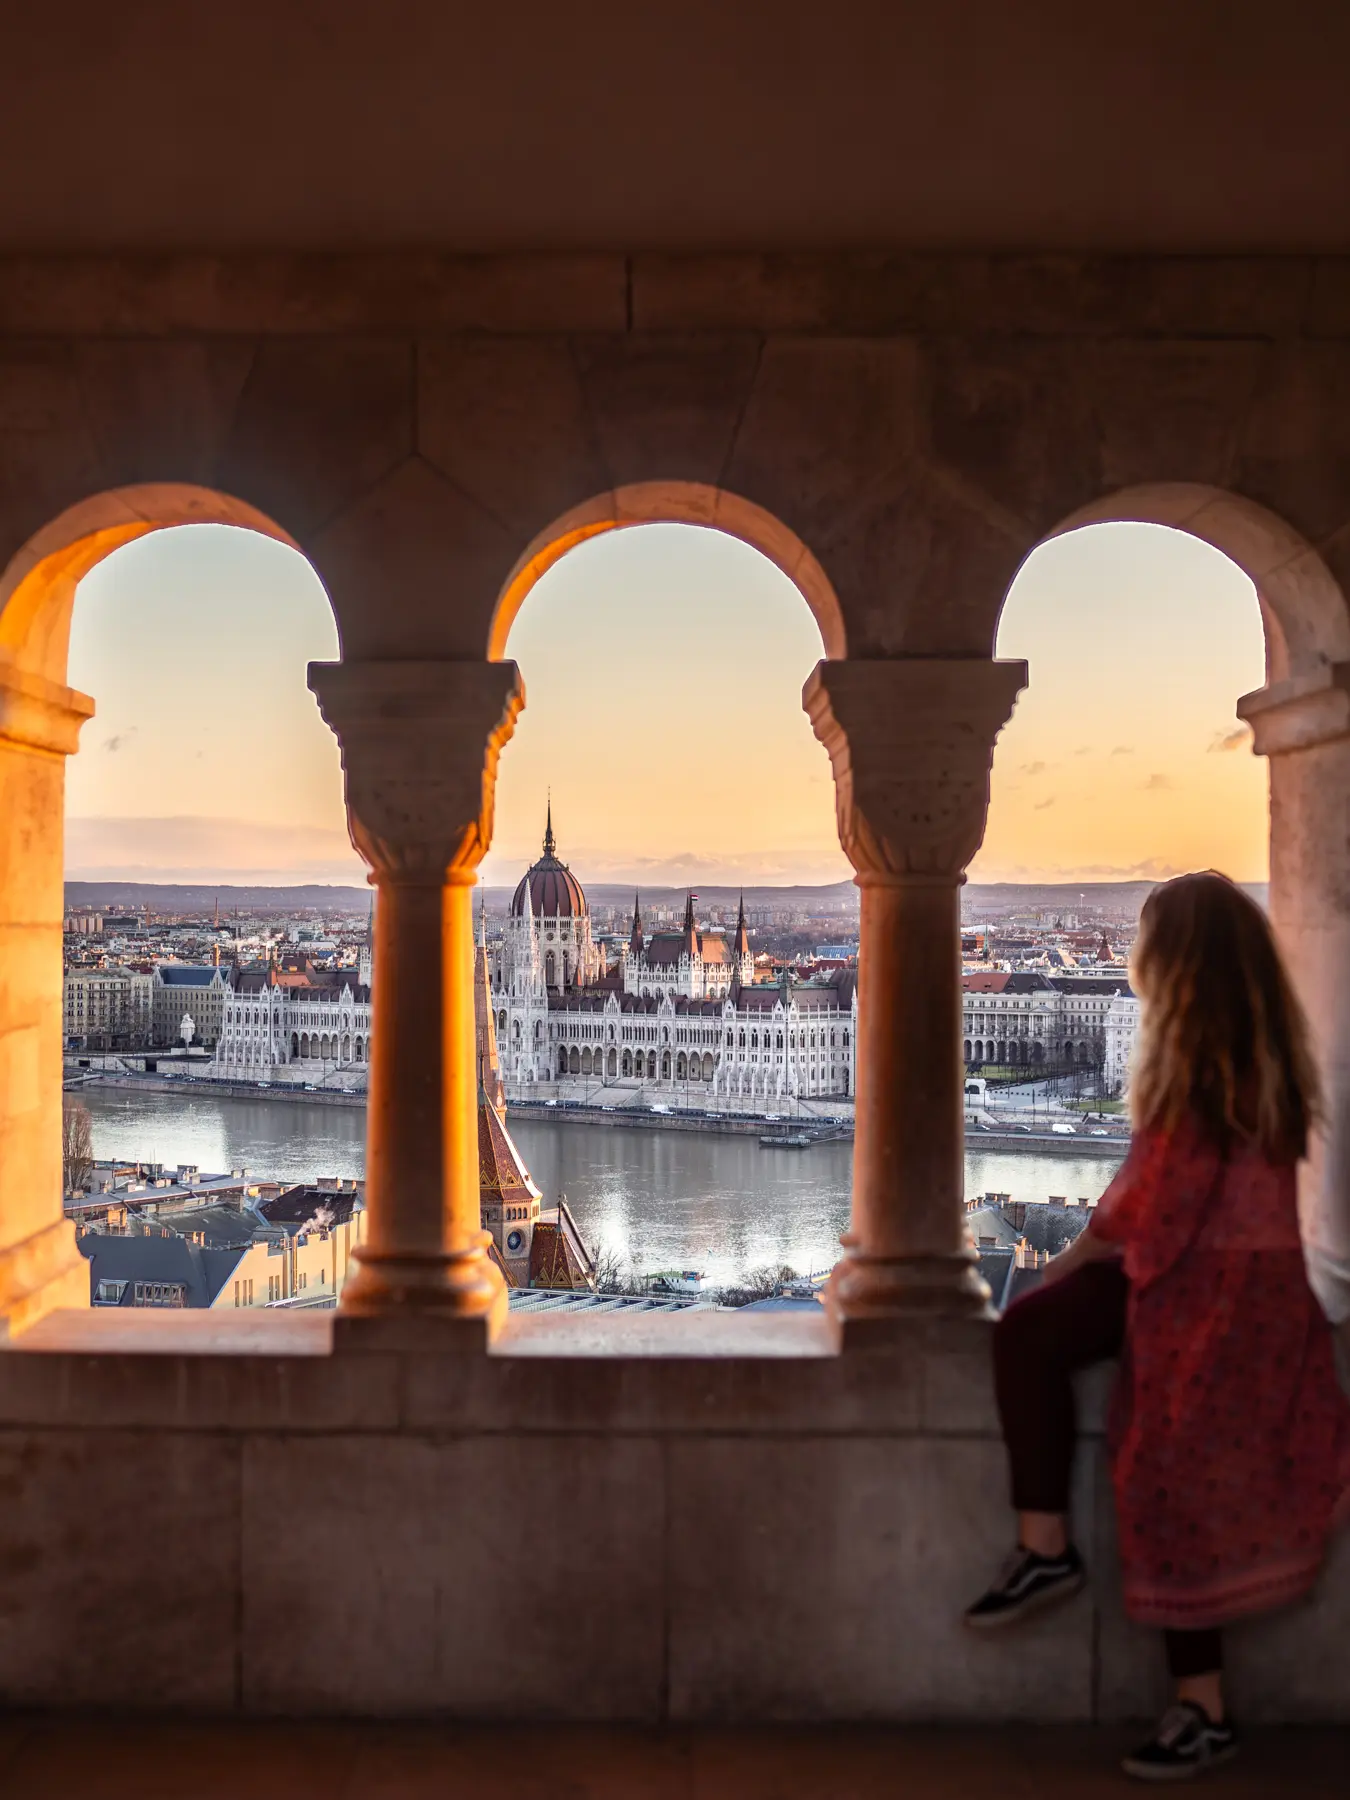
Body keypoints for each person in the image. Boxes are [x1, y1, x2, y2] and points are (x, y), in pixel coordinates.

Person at [965, 872, 1350, 1782]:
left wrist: (1049, 1276)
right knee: (1186, 1476)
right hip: (1260, 1287)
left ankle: (1046, 1547)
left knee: (1099, 1400)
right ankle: (1200, 1706)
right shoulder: (1275, 1052)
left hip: (1197, 1285)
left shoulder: (1197, 1065)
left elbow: (1143, 1208)